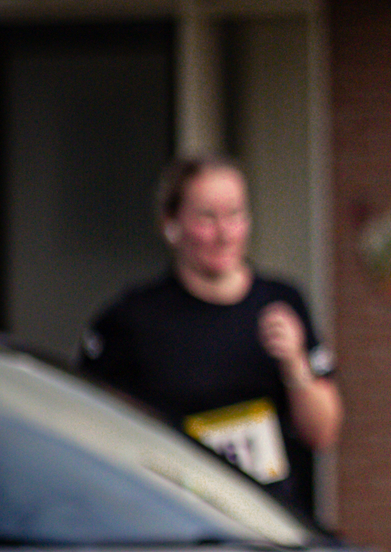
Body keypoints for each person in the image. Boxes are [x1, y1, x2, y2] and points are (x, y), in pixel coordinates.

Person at [79, 154, 342, 524]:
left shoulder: (281, 303)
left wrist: (296, 365)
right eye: (207, 217)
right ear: (171, 225)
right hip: (174, 526)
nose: (224, 234)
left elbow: (323, 432)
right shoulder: (134, 318)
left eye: (235, 215)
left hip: (270, 528)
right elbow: (92, 428)